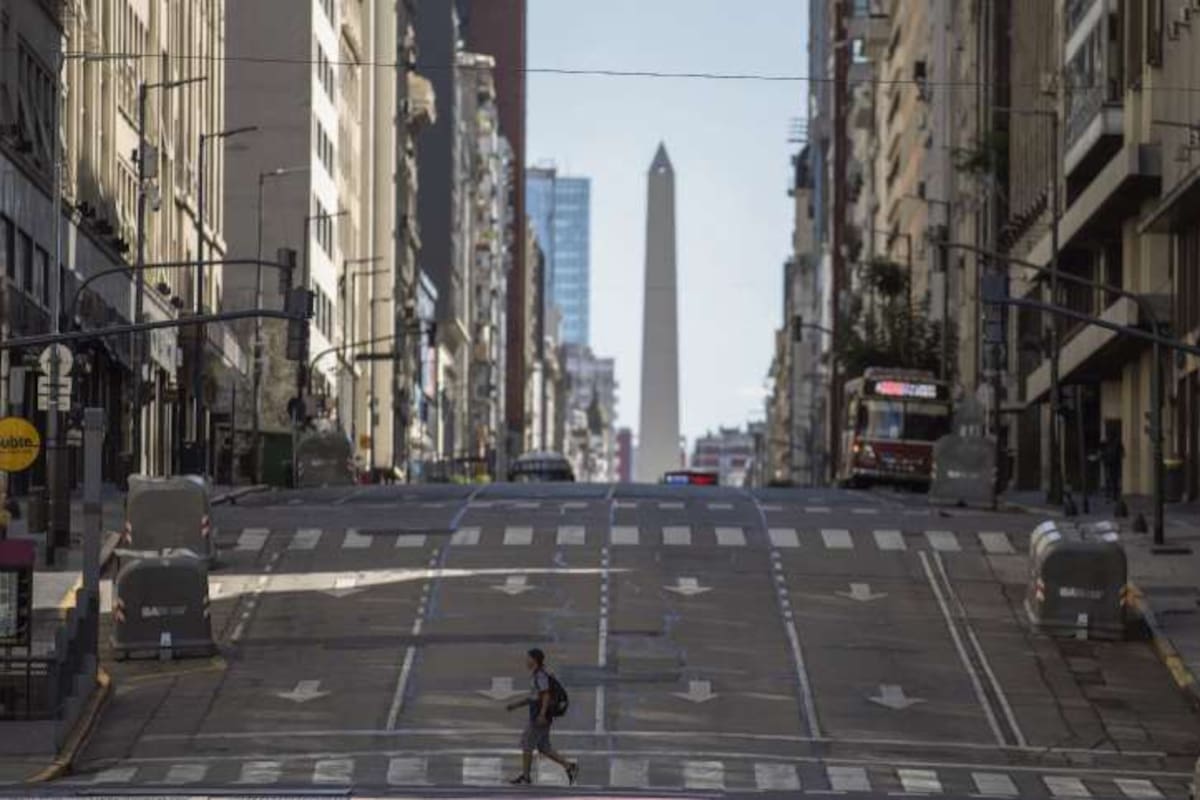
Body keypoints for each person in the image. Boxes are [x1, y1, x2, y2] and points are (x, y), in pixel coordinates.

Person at [505, 648, 578, 785]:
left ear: (534, 659)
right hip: (540, 715)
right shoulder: (537, 675)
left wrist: (542, 714)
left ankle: (526, 777)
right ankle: (570, 767)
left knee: (527, 745)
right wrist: (516, 705)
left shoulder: (541, 675)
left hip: (539, 717)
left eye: (528, 658)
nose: (526, 661)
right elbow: (534, 697)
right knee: (544, 747)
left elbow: (545, 695)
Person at [1102, 436, 1124, 502]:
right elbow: (1122, 454)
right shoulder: (1115, 445)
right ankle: (1113, 495)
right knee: (1113, 481)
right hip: (1113, 465)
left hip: (1111, 465)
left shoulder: (1109, 446)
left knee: (1110, 480)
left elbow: (1104, 455)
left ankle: (1110, 495)